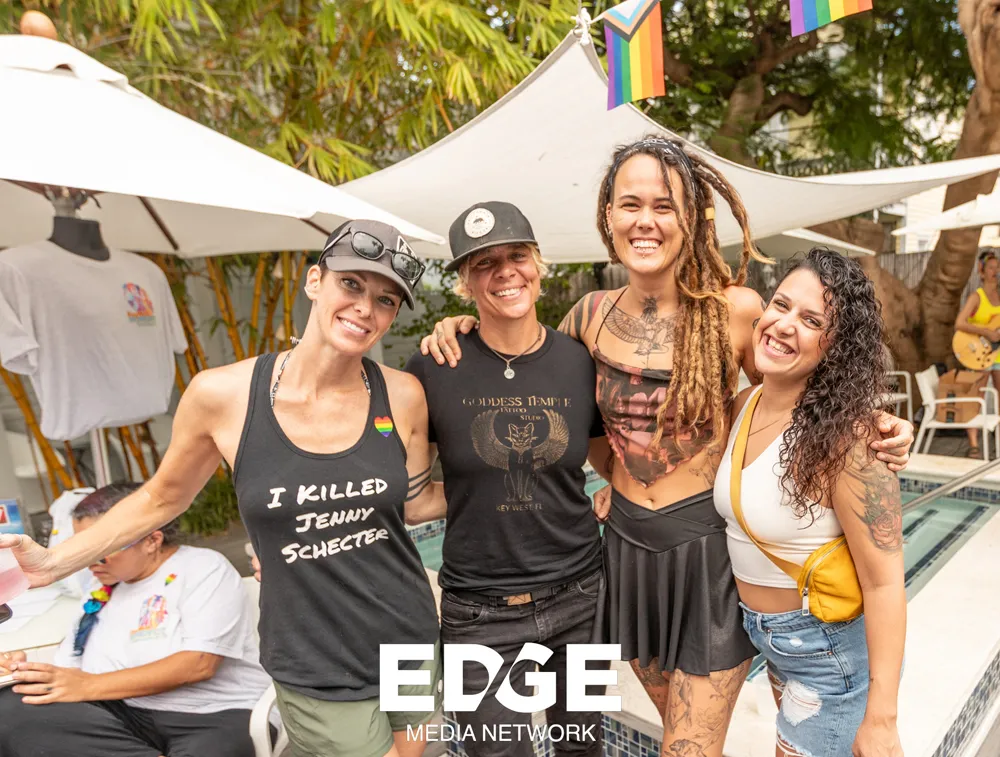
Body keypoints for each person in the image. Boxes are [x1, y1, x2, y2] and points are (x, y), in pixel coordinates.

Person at [419, 137, 914, 757]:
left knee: (687, 748)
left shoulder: (736, 311)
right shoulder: (588, 316)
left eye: (664, 205)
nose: (645, 221)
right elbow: (558, 398)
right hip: (625, 556)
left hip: (704, 557)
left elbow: (798, 394)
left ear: (692, 218)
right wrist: (461, 327)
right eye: (630, 204)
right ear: (608, 216)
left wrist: (871, 423)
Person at [1, 220, 446, 757]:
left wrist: (520, 483)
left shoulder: (403, 394)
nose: (365, 309)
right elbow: (161, 498)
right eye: (351, 284)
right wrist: (53, 563)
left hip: (407, 634)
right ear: (314, 281)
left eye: (385, 300)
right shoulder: (223, 395)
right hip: (315, 653)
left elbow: (416, 502)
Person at [404, 202, 611, 757]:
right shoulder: (432, 367)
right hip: (478, 614)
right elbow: (410, 499)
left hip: (580, 598)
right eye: (483, 264)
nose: (504, 272)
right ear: (465, 283)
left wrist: (626, 485)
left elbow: (606, 458)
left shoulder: (580, 362)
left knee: (584, 748)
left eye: (516, 256)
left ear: (538, 265)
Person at [714, 248, 905, 757]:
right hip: (774, 644)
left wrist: (882, 720)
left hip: (828, 654)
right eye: (780, 305)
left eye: (812, 320)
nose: (783, 324)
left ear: (836, 347)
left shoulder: (850, 440)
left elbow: (885, 582)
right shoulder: (744, 404)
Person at [0, 483, 272, 757]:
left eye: (100, 548)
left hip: (210, 713)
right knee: (12, 706)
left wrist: (87, 684)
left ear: (152, 540)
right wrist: (24, 671)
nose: (90, 560)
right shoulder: (100, 587)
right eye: (81, 547)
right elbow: (69, 667)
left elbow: (199, 664)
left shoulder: (204, 567)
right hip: (120, 710)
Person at [954, 248, 1000, 456]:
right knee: (976, 395)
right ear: (981, 272)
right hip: (978, 352)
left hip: (998, 355)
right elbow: (959, 323)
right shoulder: (977, 296)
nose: (995, 271)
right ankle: (973, 444)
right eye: (991, 267)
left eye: (998, 267)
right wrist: (986, 332)